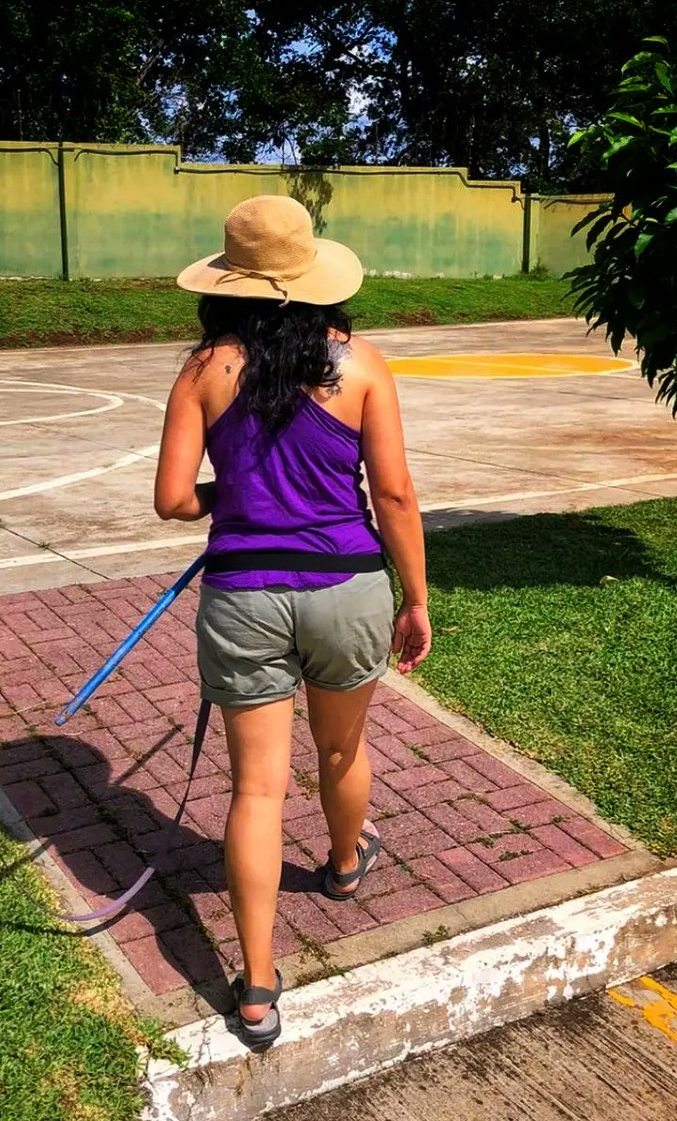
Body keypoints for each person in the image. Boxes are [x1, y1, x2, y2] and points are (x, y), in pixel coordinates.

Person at [154, 195, 431, 1049]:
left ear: (227, 282)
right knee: (341, 748)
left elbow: (170, 500)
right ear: (314, 277)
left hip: (243, 594)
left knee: (256, 789)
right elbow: (390, 496)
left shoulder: (205, 370)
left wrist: (230, 495)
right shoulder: (361, 366)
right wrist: (416, 598)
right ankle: (345, 866)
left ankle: (259, 986)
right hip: (346, 587)